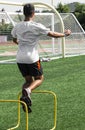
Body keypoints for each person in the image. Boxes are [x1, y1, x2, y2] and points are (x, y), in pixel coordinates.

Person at [11, 3, 71, 113]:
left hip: (20, 58)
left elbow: (14, 39)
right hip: (32, 58)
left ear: (24, 13)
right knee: (39, 79)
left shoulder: (17, 26)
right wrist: (65, 34)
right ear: (33, 13)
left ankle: (25, 99)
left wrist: (20, 43)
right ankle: (27, 91)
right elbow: (52, 34)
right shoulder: (36, 25)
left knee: (28, 81)